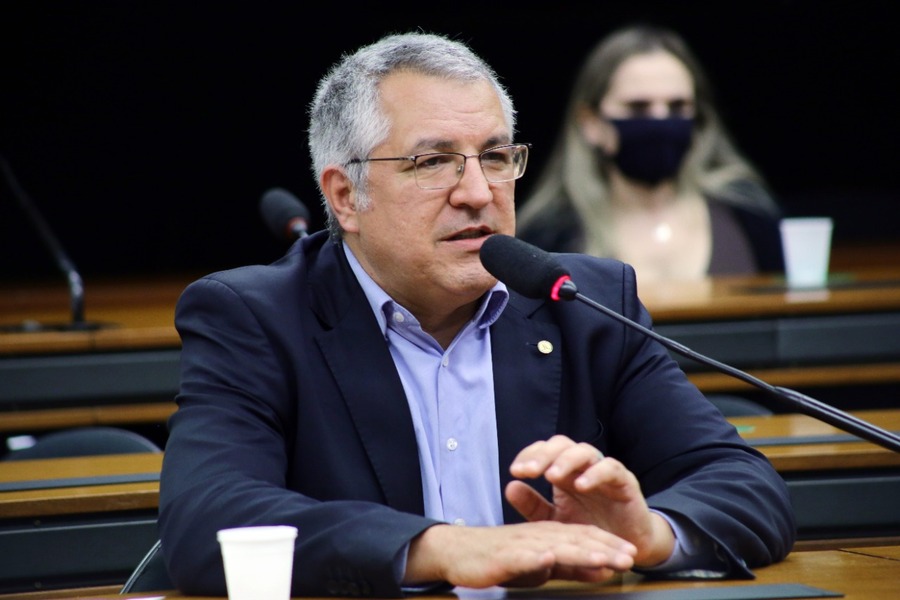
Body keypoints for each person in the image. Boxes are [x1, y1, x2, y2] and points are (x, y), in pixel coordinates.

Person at [158, 32, 795, 597]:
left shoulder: (581, 302)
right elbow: (210, 517)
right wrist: (443, 549)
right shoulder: (256, 317)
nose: (476, 192)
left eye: (494, 156)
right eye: (432, 162)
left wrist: (647, 534)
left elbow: (743, 484)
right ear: (346, 196)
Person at [516, 25, 785, 282]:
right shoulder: (549, 237)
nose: (660, 120)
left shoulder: (747, 213)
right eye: (638, 107)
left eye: (677, 106)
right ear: (591, 124)